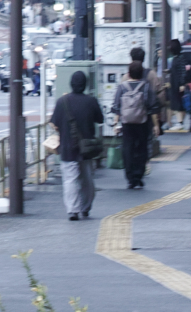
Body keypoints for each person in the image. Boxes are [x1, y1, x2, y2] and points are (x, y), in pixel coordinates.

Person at [52, 69, 104, 221]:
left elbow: (55, 124)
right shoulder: (91, 101)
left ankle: (72, 210)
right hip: (86, 147)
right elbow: (100, 119)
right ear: (85, 84)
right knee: (87, 179)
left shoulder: (62, 102)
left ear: (71, 84)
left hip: (67, 147)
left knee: (70, 179)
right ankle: (85, 207)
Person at [114, 59, 158, 190]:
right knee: (141, 148)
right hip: (142, 122)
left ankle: (130, 178)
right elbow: (152, 107)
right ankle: (138, 176)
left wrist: (116, 123)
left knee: (127, 148)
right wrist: (156, 125)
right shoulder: (146, 87)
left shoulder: (122, 87)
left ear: (128, 73)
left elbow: (117, 106)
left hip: (127, 123)